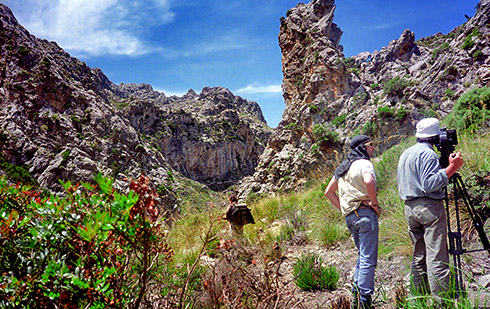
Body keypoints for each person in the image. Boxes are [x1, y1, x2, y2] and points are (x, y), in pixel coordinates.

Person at [397, 118, 463, 298]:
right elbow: (429, 184)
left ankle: (417, 299)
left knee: (419, 256)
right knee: (436, 256)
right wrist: (451, 168)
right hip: (428, 207)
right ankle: (441, 301)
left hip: (410, 208)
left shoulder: (406, 153)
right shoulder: (427, 154)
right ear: (435, 137)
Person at [324, 135, 379, 309]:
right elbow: (369, 181)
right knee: (368, 259)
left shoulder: (343, 169)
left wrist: (344, 209)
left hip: (350, 217)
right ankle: (364, 302)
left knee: (362, 256)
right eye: (371, 145)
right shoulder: (365, 164)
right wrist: (374, 204)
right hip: (365, 215)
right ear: (363, 147)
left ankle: (356, 297)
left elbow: (328, 192)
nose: (373, 148)